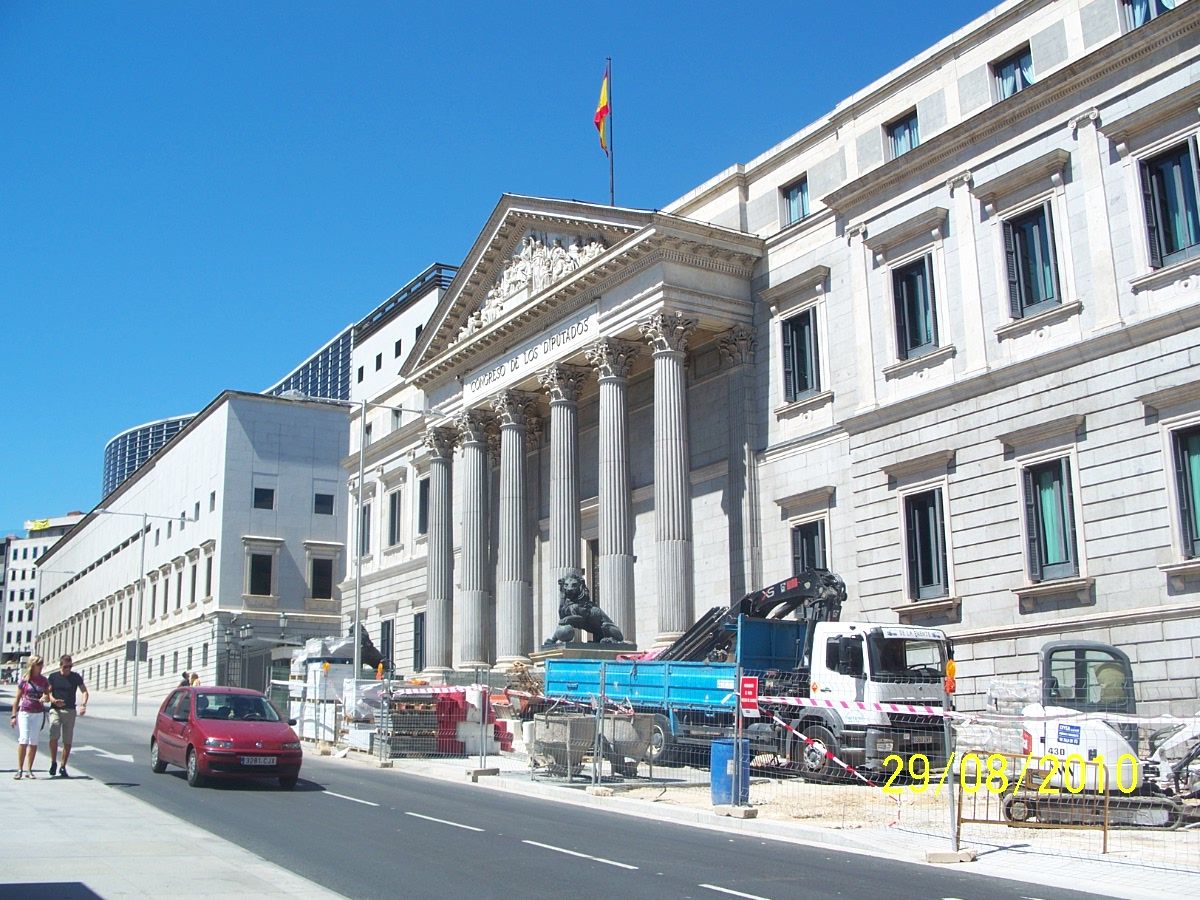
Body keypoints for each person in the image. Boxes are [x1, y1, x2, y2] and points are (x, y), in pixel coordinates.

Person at [46, 655, 88, 778]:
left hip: (70, 710)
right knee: (53, 735)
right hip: (56, 710)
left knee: (67, 740)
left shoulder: (75, 677)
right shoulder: (53, 677)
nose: (67, 669)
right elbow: (48, 692)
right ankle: (53, 762)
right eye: (65, 667)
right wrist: (53, 700)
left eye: (70, 667)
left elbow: (84, 691)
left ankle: (63, 766)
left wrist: (83, 704)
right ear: (60, 666)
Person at [10, 656, 50, 779]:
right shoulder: (25, 680)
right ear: (33, 665)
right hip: (25, 712)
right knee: (23, 739)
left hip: (37, 713)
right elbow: (17, 699)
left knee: (33, 741)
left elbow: (48, 695)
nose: (41, 666)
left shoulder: (44, 680)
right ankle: (19, 769)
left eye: (42, 663)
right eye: (39, 664)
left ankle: (29, 770)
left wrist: (45, 698)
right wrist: (13, 715)